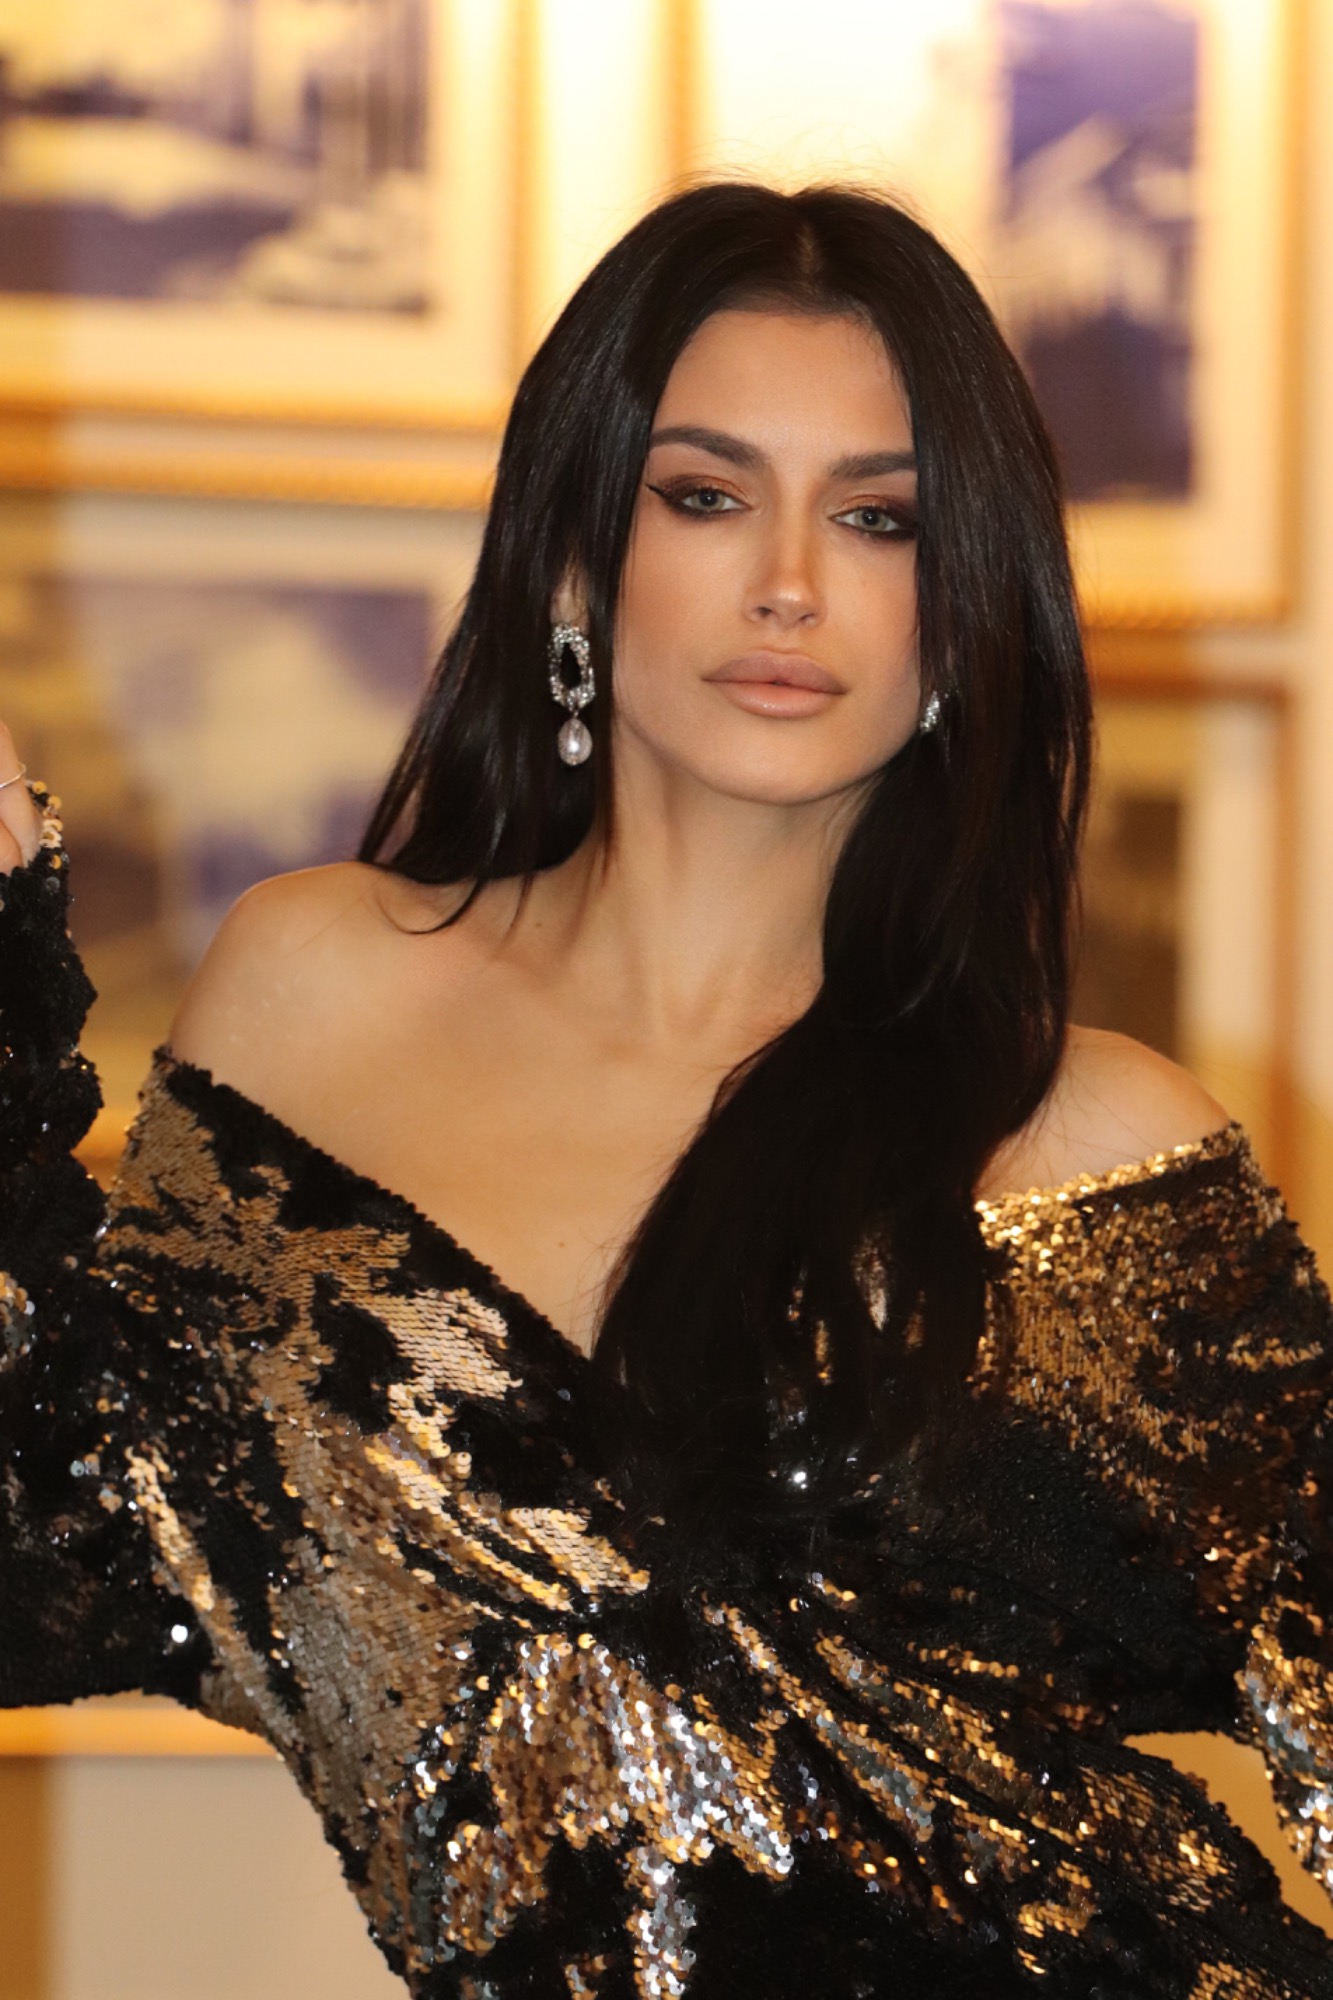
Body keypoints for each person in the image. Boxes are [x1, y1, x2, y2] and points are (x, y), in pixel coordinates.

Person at [1, 180, 1331, 1999]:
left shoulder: (1093, 1152)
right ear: (571, 560)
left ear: (961, 616)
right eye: (704, 496)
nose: (789, 580)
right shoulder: (315, 995)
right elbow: (71, 1538)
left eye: (877, 520)